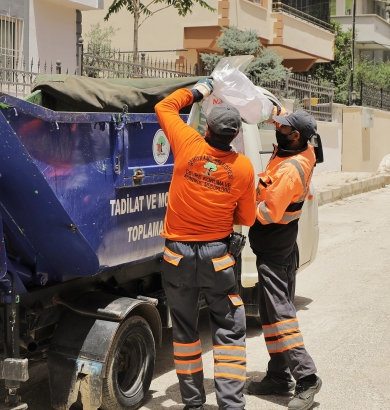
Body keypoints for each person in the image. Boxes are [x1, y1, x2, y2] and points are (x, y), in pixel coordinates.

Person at [154, 79, 256, 410]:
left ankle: (193, 405)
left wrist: (200, 89)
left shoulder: (188, 142)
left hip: (177, 257)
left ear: (206, 128)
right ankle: (231, 405)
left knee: (184, 333)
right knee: (228, 330)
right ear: (235, 136)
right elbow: (248, 218)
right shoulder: (243, 168)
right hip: (217, 258)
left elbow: (164, 106)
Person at [245, 110, 322, 410]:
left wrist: (240, 210)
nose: (279, 129)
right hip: (280, 244)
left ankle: (307, 377)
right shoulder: (296, 148)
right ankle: (278, 375)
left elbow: (268, 214)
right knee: (269, 312)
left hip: (274, 242)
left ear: (297, 136)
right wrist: (267, 112)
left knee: (280, 313)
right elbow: (277, 120)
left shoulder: (291, 168)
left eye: (285, 128)